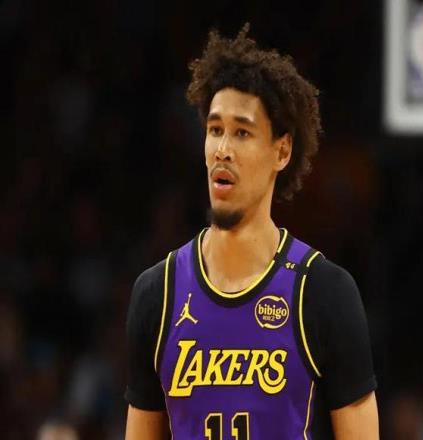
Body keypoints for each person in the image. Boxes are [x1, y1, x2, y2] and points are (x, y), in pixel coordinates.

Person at [124, 25, 378, 439]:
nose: (223, 149)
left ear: (282, 150)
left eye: (242, 132)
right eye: (215, 130)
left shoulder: (324, 292)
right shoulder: (158, 294)